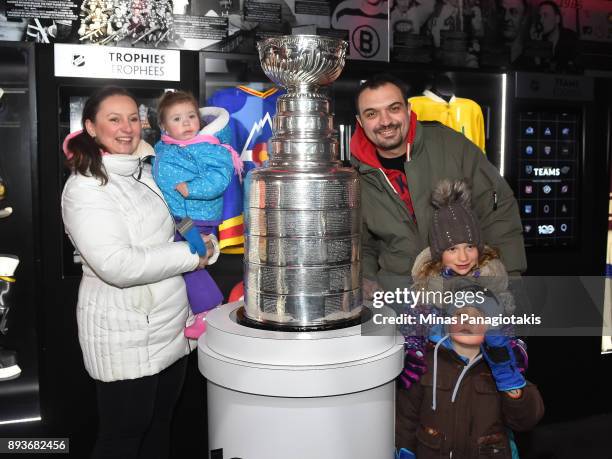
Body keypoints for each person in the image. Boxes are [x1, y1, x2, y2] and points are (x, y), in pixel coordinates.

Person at [61, 86, 212, 459]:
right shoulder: (85, 188)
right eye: (114, 119)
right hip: (125, 334)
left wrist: (201, 238)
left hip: (169, 327)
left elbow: (174, 217)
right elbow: (118, 265)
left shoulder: (143, 173)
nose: (127, 128)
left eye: (133, 118)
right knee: (123, 439)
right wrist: (192, 256)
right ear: (91, 127)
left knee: (159, 427)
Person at [395, 180, 544, 458]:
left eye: (469, 246)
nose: (463, 257)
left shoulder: (498, 290)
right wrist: (411, 349)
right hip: (437, 411)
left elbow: (511, 336)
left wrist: (512, 358)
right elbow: (412, 328)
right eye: (452, 249)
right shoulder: (425, 296)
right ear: (439, 255)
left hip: (485, 414)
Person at [351, 74, 526, 299]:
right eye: (372, 114)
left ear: (408, 108)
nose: (385, 121)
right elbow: (362, 244)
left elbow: (498, 211)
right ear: (360, 121)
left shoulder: (452, 147)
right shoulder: (356, 177)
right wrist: (367, 281)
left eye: (393, 108)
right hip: (400, 301)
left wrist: (508, 282)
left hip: (467, 294)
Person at [153, 90, 239, 339]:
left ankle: (207, 309)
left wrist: (192, 188)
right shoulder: (169, 147)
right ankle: (201, 310)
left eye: (191, 116)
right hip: (181, 215)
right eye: (177, 119)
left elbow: (220, 177)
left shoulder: (206, 145)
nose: (187, 122)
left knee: (191, 262)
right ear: (164, 126)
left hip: (195, 216)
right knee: (187, 264)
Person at [533, 0, 579, 71]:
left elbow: (577, 70)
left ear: (557, 19)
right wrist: (537, 45)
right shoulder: (540, 40)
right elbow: (537, 72)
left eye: (545, 15)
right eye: (540, 16)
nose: (541, 20)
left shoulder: (571, 38)